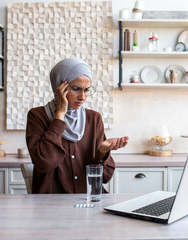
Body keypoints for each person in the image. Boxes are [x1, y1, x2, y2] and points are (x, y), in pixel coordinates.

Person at [26, 58, 129, 193]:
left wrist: (102, 153)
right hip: (51, 204)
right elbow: (45, 163)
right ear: (59, 87)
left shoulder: (94, 119)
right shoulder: (37, 116)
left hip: (89, 200)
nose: (82, 97)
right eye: (76, 89)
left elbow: (105, 177)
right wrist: (59, 116)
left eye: (86, 90)